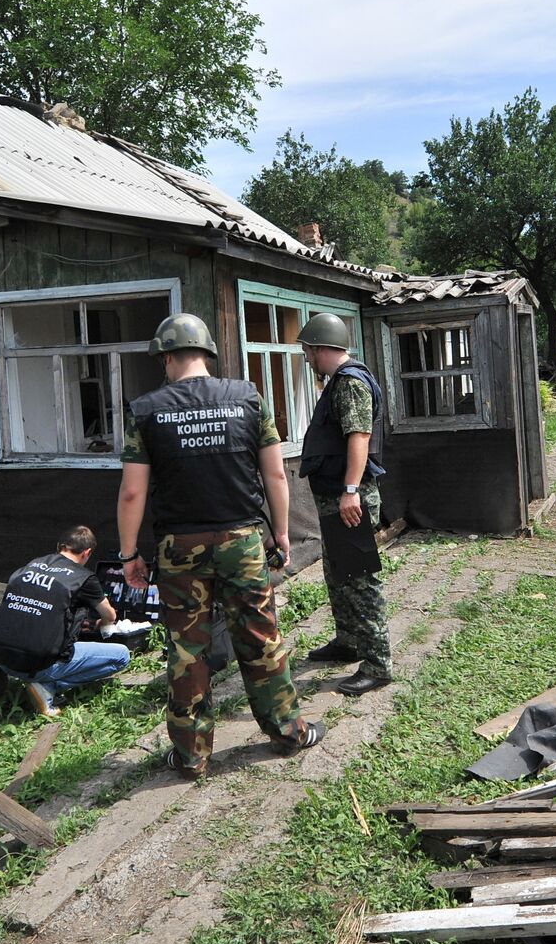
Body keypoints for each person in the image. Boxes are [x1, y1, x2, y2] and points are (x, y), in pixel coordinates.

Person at [117, 312, 326, 778]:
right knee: (260, 636)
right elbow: (274, 473)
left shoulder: (146, 411)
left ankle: (192, 756)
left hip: (179, 547)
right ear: (207, 354)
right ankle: (289, 733)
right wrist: (282, 531)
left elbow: (132, 491)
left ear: (168, 356)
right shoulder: (249, 398)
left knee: (187, 649)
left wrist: (129, 553)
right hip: (242, 541)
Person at [294, 312, 393, 696]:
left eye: (307, 350)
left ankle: (378, 664)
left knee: (359, 579)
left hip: (349, 496)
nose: (306, 358)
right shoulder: (337, 381)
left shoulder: (350, 382)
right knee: (339, 575)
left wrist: (351, 489)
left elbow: (359, 437)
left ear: (320, 348)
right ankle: (348, 642)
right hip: (336, 497)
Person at [0, 525, 131, 718]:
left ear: (59, 546)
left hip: (2, 658)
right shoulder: (83, 577)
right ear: (87, 553)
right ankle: (48, 686)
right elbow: (110, 615)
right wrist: (102, 624)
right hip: (38, 664)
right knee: (122, 655)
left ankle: (38, 682)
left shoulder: (30, 565)